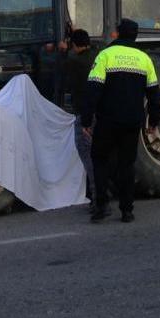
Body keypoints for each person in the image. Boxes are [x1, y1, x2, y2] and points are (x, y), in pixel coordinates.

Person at [81, 19, 160, 223]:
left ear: (117, 33)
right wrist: (154, 121)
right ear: (135, 36)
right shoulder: (144, 59)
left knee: (99, 160)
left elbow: (93, 90)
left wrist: (86, 120)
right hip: (132, 122)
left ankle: (101, 207)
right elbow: (154, 94)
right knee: (127, 164)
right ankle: (127, 210)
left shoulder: (105, 55)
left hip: (108, 120)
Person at [63, 29, 98, 207]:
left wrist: (63, 49)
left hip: (85, 114)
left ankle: (96, 195)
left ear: (75, 46)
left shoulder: (75, 61)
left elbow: (67, 63)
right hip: (101, 112)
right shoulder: (98, 55)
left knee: (86, 152)